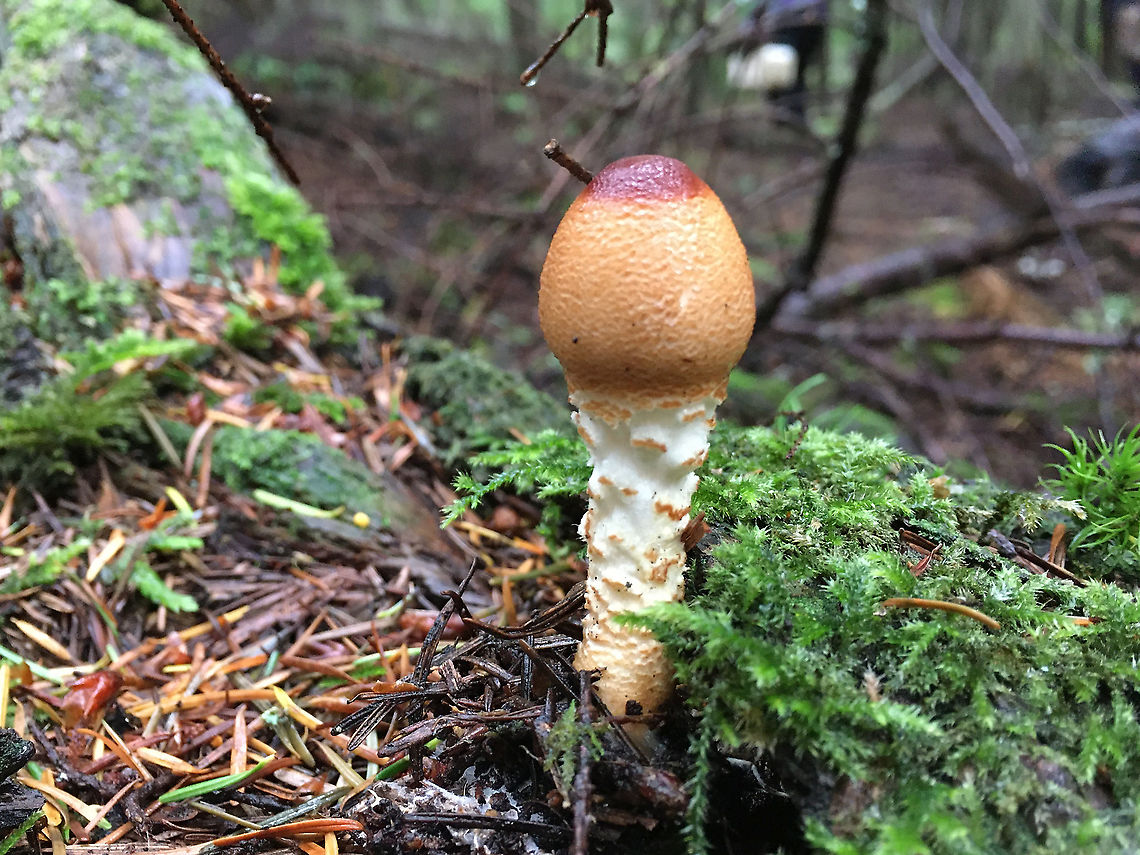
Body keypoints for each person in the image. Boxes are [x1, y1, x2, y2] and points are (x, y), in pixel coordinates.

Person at [727, 0, 829, 120]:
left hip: (791, 23)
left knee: (786, 75)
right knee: (789, 75)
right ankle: (789, 117)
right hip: (802, 21)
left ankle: (789, 118)